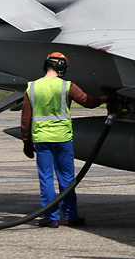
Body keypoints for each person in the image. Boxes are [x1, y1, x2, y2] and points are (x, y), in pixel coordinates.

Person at [21, 52, 105, 227]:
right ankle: (71, 216)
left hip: (41, 140)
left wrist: (26, 141)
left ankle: (51, 218)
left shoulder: (32, 87)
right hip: (62, 138)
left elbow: (26, 119)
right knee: (66, 178)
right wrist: (107, 98)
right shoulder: (67, 86)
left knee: (46, 178)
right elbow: (88, 102)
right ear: (61, 66)